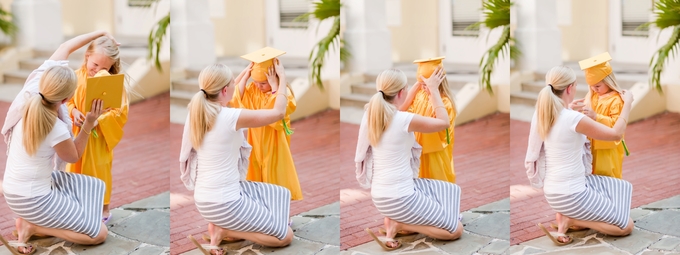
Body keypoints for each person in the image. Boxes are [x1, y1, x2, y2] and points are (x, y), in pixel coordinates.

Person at [0, 32, 111, 254]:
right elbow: (73, 156)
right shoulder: (56, 127)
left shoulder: (30, 96)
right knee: (99, 234)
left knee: (92, 185)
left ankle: (36, 221)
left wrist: (99, 34)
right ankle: (33, 225)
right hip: (32, 199)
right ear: (66, 100)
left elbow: (66, 46)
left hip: (13, 190)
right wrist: (88, 124)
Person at [180, 62, 294, 255]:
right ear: (225, 90)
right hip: (225, 204)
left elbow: (231, 101)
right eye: (233, 81)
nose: (236, 83)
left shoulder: (197, 112)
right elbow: (278, 113)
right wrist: (281, 80)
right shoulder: (230, 117)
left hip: (204, 200)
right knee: (285, 236)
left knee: (279, 193)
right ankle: (225, 229)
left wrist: (243, 76)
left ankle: (227, 226)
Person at [525, 66, 635, 246]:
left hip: (553, 192)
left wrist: (568, 108)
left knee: (619, 186)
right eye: (576, 85)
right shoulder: (572, 119)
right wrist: (628, 103)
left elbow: (560, 127)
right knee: (626, 226)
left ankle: (569, 214)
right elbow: (616, 133)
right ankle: (571, 220)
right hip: (572, 195)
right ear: (570, 89)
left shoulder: (542, 113)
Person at [355, 68, 463, 251]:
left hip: (381, 196)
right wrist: (434, 89)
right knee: (455, 230)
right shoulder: (404, 120)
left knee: (447, 189)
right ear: (400, 92)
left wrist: (413, 89)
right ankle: (400, 225)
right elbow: (443, 122)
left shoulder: (372, 115)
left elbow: (397, 111)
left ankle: (396, 220)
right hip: (400, 199)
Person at [66, 32, 128, 223]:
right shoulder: (75, 78)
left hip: (99, 138)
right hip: (77, 135)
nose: (97, 70)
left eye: (104, 67)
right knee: (75, 169)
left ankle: (104, 208)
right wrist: (74, 113)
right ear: (87, 56)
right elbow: (67, 102)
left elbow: (120, 112)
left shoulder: (113, 84)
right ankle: (77, 206)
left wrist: (99, 118)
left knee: (100, 171)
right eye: (94, 64)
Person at [230, 47, 303, 200]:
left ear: (273, 78)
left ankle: (281, 214)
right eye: (255, 82)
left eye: (263, 83)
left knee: (275, 178)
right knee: (256, 177)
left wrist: (277, 84)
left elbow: (277, 111)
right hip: (255, 141)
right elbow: (235, 97)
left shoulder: (284, 94)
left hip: (274, 143)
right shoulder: (253, 90)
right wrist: (246, 74)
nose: (258, 86)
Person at [399, 57, 457, 182]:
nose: (424, 87)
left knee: (437, 187)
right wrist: (417, 86)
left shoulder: (445, 103)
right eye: (422, 84)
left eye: (428, 84)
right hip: (418, 153)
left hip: (435, 156)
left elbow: (443, 128)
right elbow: (400, 111)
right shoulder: (420, 96)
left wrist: (433, 90)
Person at [579, 52, 626, 179]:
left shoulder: (616, 100)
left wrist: (597, 117)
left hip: (607, 147)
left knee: (607, 176)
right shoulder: (592, 96)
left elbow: (617, 125)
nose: (595, 89)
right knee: (593, 175)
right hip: (592, 144)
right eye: (592, 87)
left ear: (608, 81)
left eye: (598, 86)